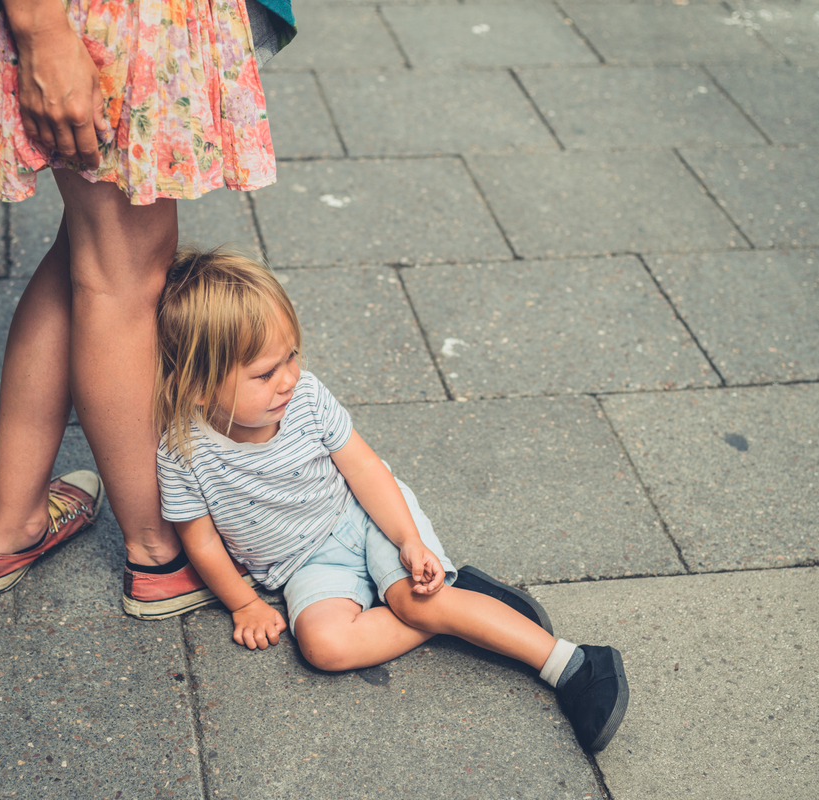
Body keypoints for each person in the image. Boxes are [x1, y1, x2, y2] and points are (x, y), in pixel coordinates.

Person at [153, 249, 630, 752]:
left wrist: (406, 539)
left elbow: (365, 470)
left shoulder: (307, 401)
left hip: (364, 517)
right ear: (199, 387)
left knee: (410, 599)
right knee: (323, 646)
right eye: (265, 373)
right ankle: (465, 608)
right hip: (302, 566)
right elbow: (201, 540)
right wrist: (245, 604)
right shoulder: (183, 451)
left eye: (292, 356)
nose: (289, 378)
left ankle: (575, 665)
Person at [0, 0, 291, 618]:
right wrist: (42, 31)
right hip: (95, 20)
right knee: (121, 272)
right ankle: (159, 554)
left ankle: (17, 523)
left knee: (92, 244)